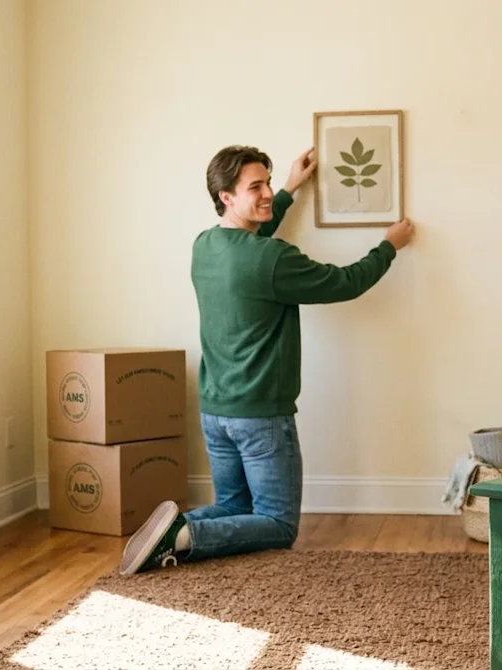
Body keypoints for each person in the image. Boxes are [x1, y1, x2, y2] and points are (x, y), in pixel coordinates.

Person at [120, 144, 415, 574]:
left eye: (268, 184)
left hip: (215, 410)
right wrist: (389, 246)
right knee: (278, 524)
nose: (267, 194)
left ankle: (171, 529)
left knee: (233, 506)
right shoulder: (272, 258)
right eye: (255, 187)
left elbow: (253, 241)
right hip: (260, 416)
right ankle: (184, 536)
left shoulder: (205, 245)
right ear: (226, 196)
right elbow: (346, 282)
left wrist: (292, 186)